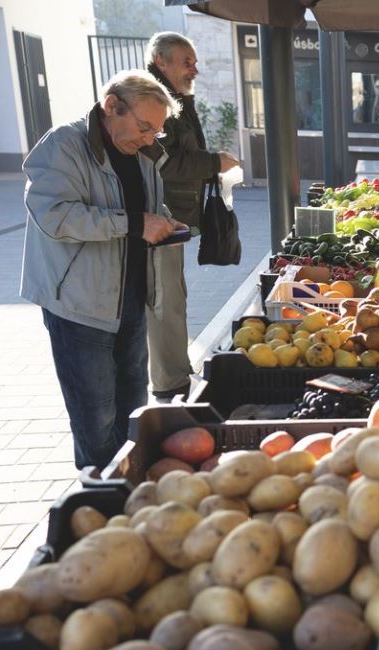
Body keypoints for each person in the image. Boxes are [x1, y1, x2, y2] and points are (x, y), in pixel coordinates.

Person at [21, 70, 185, 470]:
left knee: (133, 409)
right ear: (112, 106)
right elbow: (55, 216)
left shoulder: (141, 153)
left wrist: (163, 222)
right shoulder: (63, 145)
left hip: (130, 300)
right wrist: (134, 223)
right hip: (80, 306)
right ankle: (99, 492)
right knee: (95, 419)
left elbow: (140, 208)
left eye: (157, 131)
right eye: (145, 127)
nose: (149, 138)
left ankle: (130, 485)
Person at [146, 32, 240, 399]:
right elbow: (166, 162)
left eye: (195, 62)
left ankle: (174, 371)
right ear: (160, 60)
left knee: (172, 295)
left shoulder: (174, 96)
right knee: (165, 299)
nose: (194, 70)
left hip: (171, 216)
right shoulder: (154, 99)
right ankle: (171, 381)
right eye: (187, 62)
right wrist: (214, 162)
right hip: (160, 216)